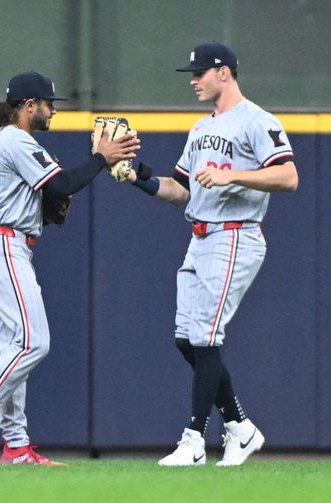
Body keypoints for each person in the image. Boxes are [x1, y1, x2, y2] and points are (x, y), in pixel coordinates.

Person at [0, 71, 140, 465]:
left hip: (0, 244)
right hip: (2, 246)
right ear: (28, 105)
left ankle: (16, 446)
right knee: (33, 343)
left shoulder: (3, 141)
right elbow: (61, 185)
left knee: (11, 350)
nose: (53, 110)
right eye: (49, 103)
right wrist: (101, 158)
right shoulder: (16, 139)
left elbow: (49, 194)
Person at [126, 42, 298, 466]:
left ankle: (194, 440)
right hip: (200, 236)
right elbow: (180, 189)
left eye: (200, 72)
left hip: (236, 235)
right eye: (192, 72)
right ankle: (240, 427)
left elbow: (288, 175)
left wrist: (232, 175)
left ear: (225, 72)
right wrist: (136, 176)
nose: (193, 80)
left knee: (205, 337)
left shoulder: (257, 120)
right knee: (187, 340)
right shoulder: (201, 129)